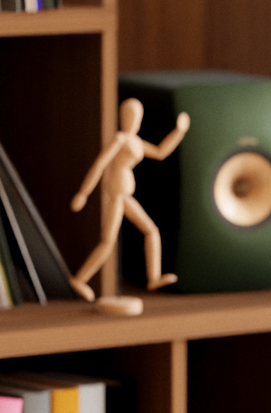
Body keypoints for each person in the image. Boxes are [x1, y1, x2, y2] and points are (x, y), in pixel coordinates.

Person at [68, 98, 192, 307]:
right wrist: (83, 193)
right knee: (108, 242)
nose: (134, 120)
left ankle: (153, 278)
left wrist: (179, 132)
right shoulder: (120, 139)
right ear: (123, 117)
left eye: (137, 116)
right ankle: (79, 280)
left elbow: (160, 152)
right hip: (117, 195)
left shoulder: (136, 142)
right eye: (130, 115)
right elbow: (100, 164)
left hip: (126, 196)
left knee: (151, 231)